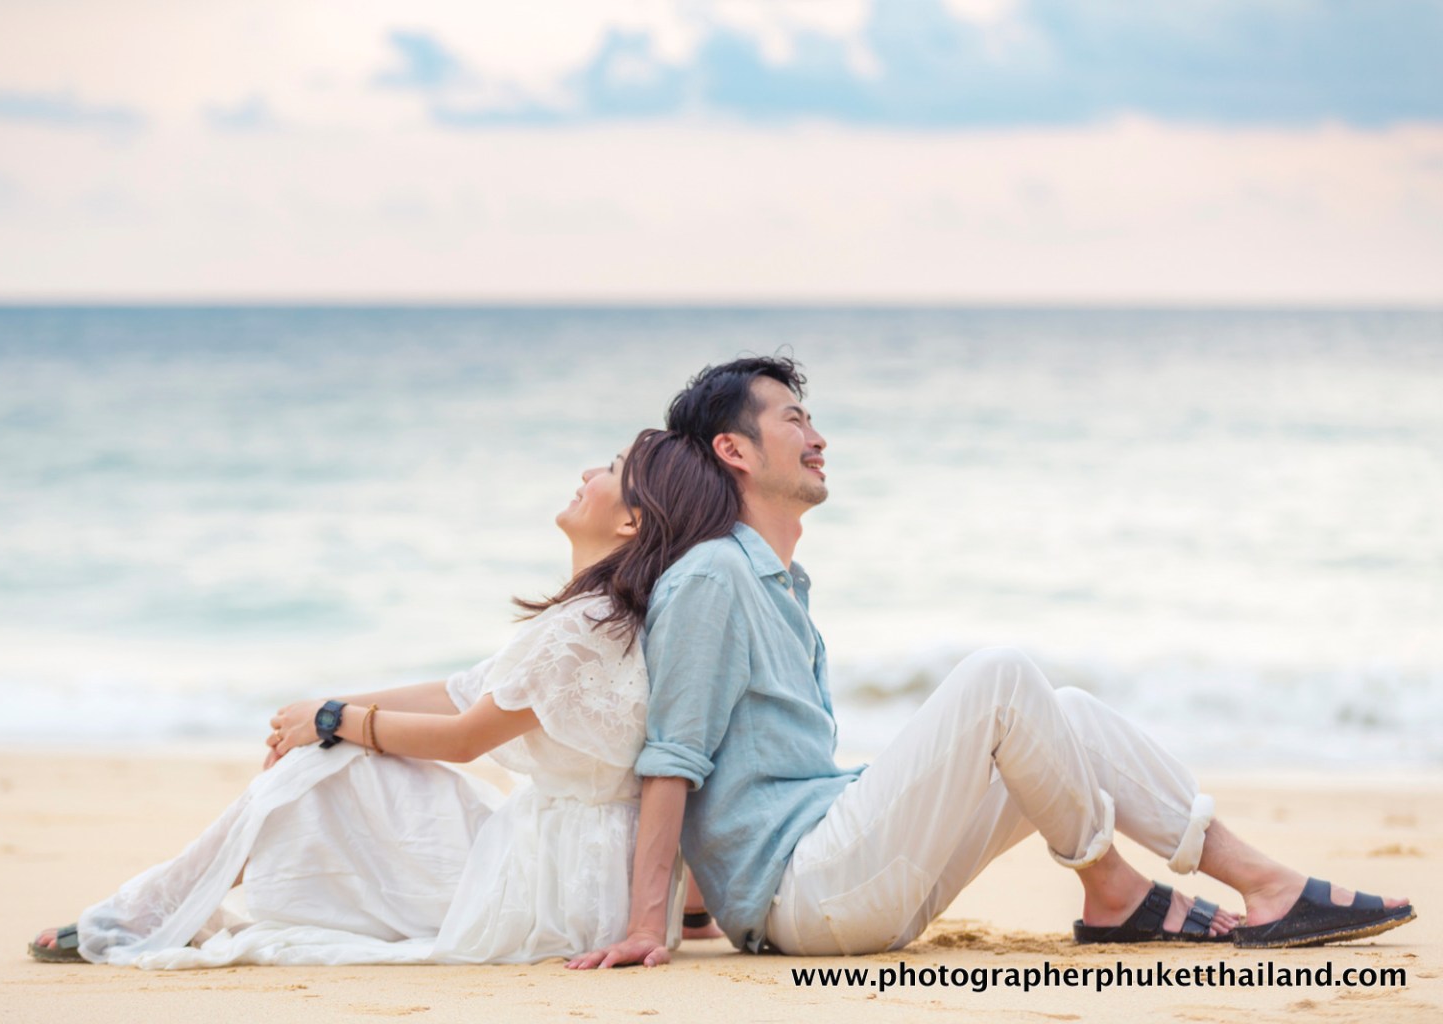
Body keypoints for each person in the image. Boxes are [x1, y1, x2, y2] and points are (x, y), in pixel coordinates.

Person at [568, 356, 1415, 968]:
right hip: (808, 891)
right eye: (794, 420)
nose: (818, 437)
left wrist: (699, 905)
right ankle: (1113, 889)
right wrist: (653, 923)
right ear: (735, 451)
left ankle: (1263, 885)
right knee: (1001, 676)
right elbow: (674, 757)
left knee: (1070, 714)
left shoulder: (782, 582)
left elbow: (744, 765)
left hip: (839, 871)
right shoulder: (714, 575)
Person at [29, 427, 736, 968]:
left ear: (631, 525)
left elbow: (464, 737)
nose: (588, 473)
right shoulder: (601, 617)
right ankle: (163, 905)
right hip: (583, 871)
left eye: (610, 472)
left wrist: (335, 722)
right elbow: (461, 691)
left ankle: (143, 914)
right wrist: (327, 707)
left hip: (556, 891)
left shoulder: (581, 629)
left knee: (327, 760)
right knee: (330, 749)